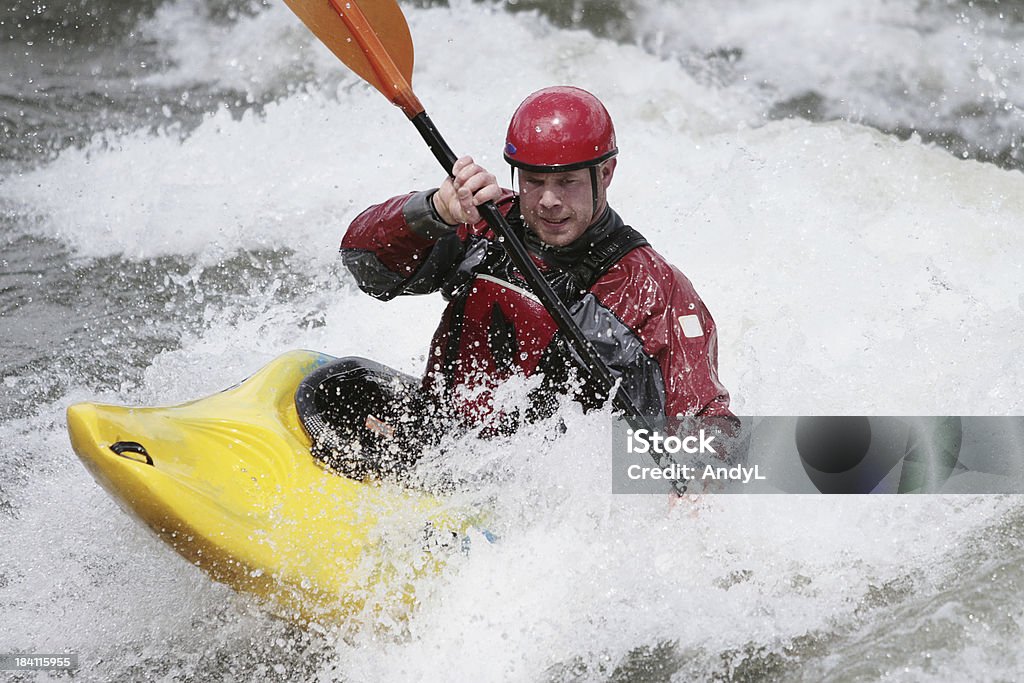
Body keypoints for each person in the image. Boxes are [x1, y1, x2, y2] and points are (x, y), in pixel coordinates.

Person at [298, 86, 733, 478]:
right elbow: (365, 266)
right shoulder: (483, 224)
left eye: (566, 182)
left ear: (606, 174)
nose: (548, 200)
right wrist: (435, 211)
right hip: (444, 444)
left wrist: (699, 478)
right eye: (533, 181)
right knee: (338, 385)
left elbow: (708, 418)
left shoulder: (654, 289)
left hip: (537, 494)